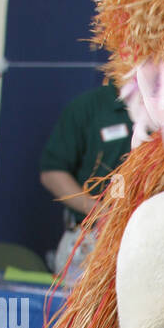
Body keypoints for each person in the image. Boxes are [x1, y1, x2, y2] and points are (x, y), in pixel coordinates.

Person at [39, 81, 132, 283]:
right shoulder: (89, 107)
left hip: (147, 240)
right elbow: (53, 172)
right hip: (92, 239)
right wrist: (98, 212)